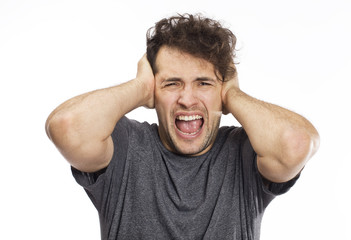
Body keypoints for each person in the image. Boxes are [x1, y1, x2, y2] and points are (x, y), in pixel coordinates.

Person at [46, 13, 320, 240]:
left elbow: (296, 144)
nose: (187, 99)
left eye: (204, 83)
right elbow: (67, 127)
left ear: (222, 90)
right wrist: (140, 87)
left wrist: (234, 95)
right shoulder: (125, 146)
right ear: (154, 91)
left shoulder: (245, 152)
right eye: (172, 83)